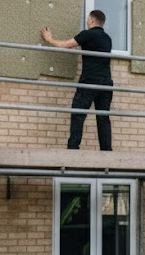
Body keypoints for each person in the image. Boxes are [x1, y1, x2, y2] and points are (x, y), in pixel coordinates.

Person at [41, 10, 114, 150]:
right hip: (106, 83)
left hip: (89, 81)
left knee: (78, 114)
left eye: (88, 20)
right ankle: (107, 152)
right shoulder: (107, 38)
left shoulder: (87, 34)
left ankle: (73, 150)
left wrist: (49, 39)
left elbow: (66, 45)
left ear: (92, 21)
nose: (87, 22)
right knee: (103, 118)